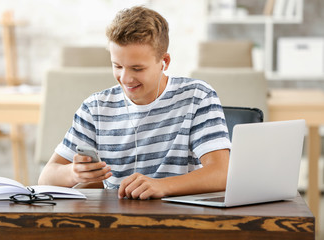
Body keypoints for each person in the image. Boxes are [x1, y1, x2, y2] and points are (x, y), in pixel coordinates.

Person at [38, 6, 231, 200]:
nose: (125, 78)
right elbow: (46, 178)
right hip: (116, 221)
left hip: (180, 219)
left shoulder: (197, 97)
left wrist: (162, 186)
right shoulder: (95, 108)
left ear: (164, 61)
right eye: (118, 66)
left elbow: (222, 173)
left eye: (137, 68)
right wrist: (74, 173)